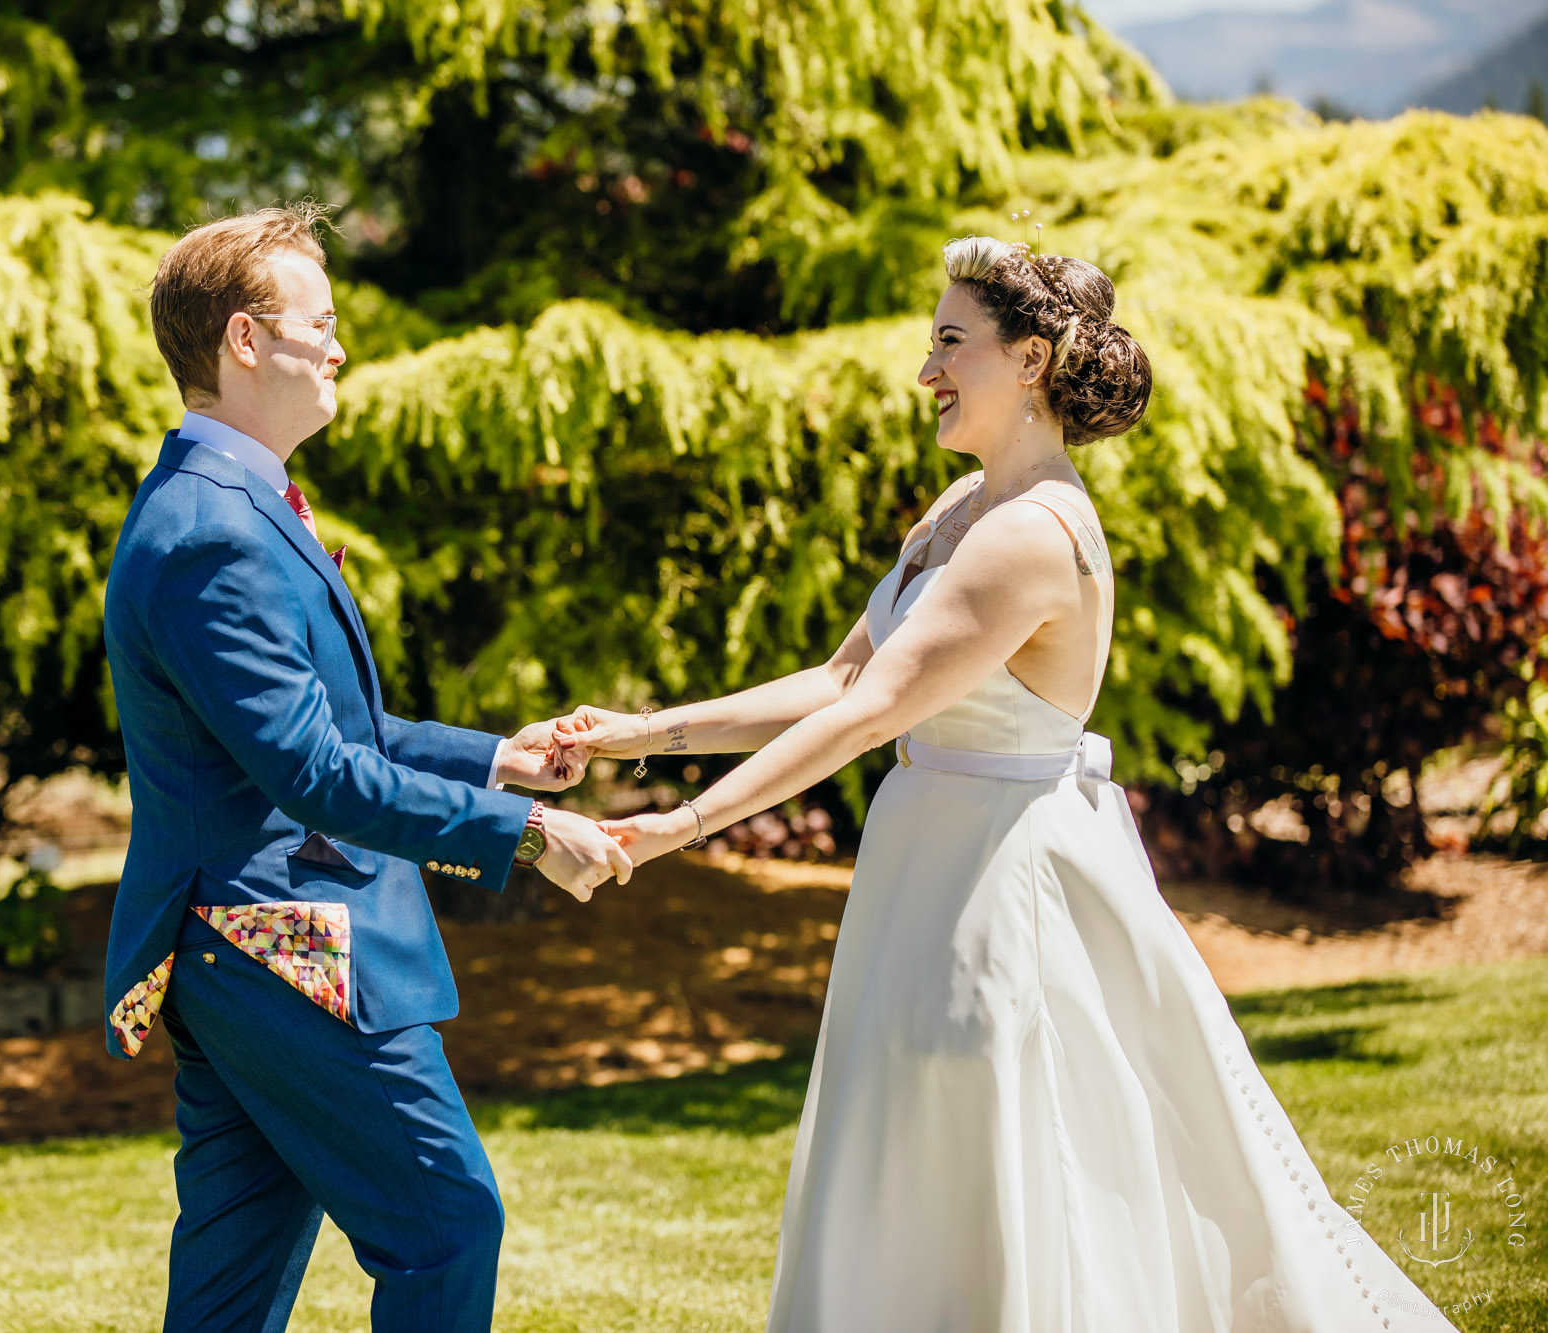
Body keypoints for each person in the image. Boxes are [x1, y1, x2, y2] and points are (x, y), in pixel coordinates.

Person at [557, 236, 1461, 1331]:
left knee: (994, 1136)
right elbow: (840, 673)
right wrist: (635, 734)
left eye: (949, 343)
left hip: (999, 884)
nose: (924, 371)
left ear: (1029, 360)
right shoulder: (954, 510)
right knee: (903, 1129)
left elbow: (870, 713)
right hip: (925, 864)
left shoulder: (1027, 535)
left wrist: (680, 824)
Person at [101, 204, 632, 1333]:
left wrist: (502, 760)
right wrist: (525, 838)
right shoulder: (213, 530)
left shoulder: (234, 503)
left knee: (233, 1277)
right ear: (245, 340)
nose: (338, 347)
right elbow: (312, 776)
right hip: (273, 941)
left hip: (236, 946)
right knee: (446, 1221)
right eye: (320, 323)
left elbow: (340, 732)